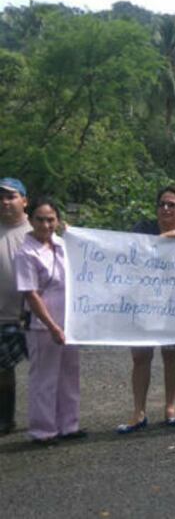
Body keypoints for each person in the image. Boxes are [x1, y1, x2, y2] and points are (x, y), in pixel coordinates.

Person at [117, 186, 175, 434]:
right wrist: (163, 240)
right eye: (162, 204)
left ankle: (170, 408)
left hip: (171, 309)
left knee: (171, 356)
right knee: (140, 358)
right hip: (141, 305)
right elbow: (130, 256)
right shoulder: (142, 230)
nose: (165, 208)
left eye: (172, 205)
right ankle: (138, 412)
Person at [14, 198, 84, 444]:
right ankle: (43, 430)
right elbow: (30, 293)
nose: (46, 224)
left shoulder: (63, 244)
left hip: (69, 321)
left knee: (69, 375)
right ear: (31, 221)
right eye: (40, 219)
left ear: (58, 220)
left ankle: (69, 424)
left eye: (50, 219)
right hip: (42, 325)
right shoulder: (25, 253)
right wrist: (52, 326)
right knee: (44, 378)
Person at [0, 178, 31, 435]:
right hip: (2, 317)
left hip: (36, 316)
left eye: (11, 196)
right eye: (1, 197)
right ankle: (6, 419)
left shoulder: (39, 230)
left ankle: (50, 419)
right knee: (3, 373)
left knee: (43, 371)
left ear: (24, 200)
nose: (5, 202)